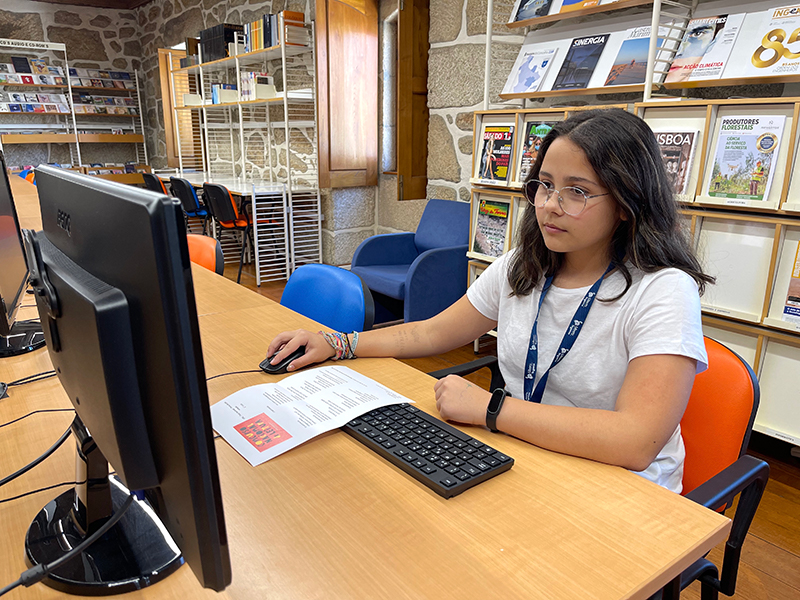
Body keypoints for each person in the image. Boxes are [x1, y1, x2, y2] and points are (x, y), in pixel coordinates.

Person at [267, 109, 713, 494]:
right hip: (529, 456)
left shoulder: (662, 290)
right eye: (544, 185)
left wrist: (491, 408)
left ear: (626, 202)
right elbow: (432, 331)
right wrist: (338, 343)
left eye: (577, 191)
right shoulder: (525, 265)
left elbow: (636, 441)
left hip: (621, 490)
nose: (550, 206)